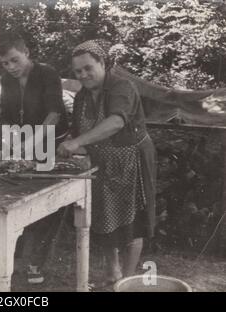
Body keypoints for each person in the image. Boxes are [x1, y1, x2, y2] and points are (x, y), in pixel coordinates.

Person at [57, 40, 156, 288]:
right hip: (101, 163)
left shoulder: (122, 87)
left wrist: (77, 141)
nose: (83, 75)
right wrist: (68, 144)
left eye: (88, 68)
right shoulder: (81, 96)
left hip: (130, 160)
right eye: (78, 71)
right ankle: (113, 273)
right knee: (103, 220)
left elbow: (115, 122)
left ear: (103, 63)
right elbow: (79, 132)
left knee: (132, 225)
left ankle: (128, 282)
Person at [0, 31, 69, 284]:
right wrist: (8, 142)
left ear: (26, 52)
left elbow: (55, 113)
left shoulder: (47, 73)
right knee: (15, 198)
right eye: (5, 63)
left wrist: (31, 144)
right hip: (23, 143)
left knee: (48, 204)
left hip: (52, 142)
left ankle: (37, 262)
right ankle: (11, 259)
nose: (10, 67)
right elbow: (6, 115)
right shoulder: (7, 79)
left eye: (14, 60)